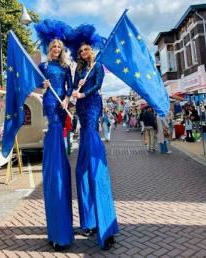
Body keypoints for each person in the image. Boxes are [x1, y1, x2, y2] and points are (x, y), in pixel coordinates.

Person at [71, 25, 119, 251]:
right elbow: (73, 87)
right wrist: (74, 89)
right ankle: (88, 221)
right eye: (80, 51)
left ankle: (105, 225)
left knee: (94, 169)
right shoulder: (79, 69)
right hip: (80, 108)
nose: (83, 53)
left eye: (86, 50)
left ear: (91, 50)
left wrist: (84, 92)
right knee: (81, 171)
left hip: (92, 107)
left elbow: (98, 85)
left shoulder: (97, 65)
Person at [35, 20, 74, 251]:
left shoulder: (65, 67)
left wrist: (68, 98)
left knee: (60, 130)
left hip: (62, 104)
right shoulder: (44, 65)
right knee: (54, 128)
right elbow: (37, 82)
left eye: (59, 47)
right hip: (50, 102)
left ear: (62, 49)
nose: (56, 49)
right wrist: (43, 84)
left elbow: (69, 87)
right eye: (53, 47)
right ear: (49, 48)